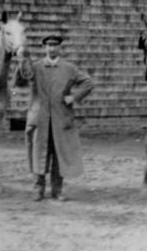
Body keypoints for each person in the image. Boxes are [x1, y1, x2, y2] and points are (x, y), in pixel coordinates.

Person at [20, 33, 95, 202]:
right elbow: (24, 75)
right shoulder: (36, 67)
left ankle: (57, 189)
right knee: (39, 152)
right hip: (41, 119)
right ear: (44, 48)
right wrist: (23, 58)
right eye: (49, 45)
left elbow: (88, 82)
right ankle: (38, 188)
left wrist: (74, 97)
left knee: (59, 155)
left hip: (61, 119)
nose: (52, 48)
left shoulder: (69, 68)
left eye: (55, 45)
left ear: (60, 48)